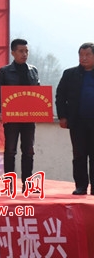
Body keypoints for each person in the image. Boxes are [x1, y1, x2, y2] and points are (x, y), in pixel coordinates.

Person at [0, 38, 40, 193]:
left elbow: (38, 92)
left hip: (29, 117)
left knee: (29, 150)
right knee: (10, 150)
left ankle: (28, 184)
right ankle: (9, 185)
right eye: (21, 51)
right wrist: (0, 111)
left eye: (26, 51)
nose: (24, 54)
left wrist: (41, 110)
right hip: (11, 117)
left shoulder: (33, 70)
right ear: (13, 52)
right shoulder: (5, 71)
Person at [56, 42, 94, 195]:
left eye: (87, 55)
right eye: (81, 55)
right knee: (79, 155)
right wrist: (62, 116)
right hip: (78, 121)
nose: (84, 58)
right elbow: (60, 96)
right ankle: (81, 186)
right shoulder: (70, 74)